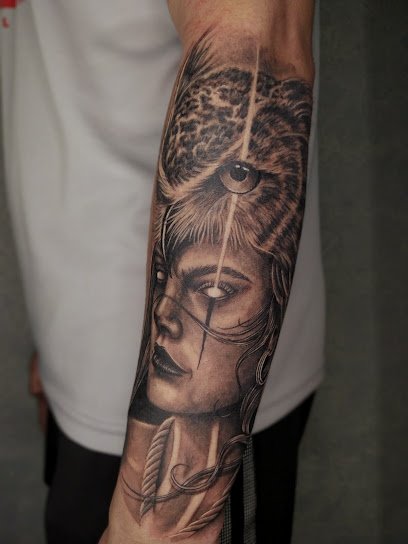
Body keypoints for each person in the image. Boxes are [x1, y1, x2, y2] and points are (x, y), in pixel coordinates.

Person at [1, 1, 324, 543]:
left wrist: (159, 529)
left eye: (214, 290)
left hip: (199, 431)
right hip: (80, 349)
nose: (178, 313)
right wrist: (58, 331)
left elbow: (253, 49)